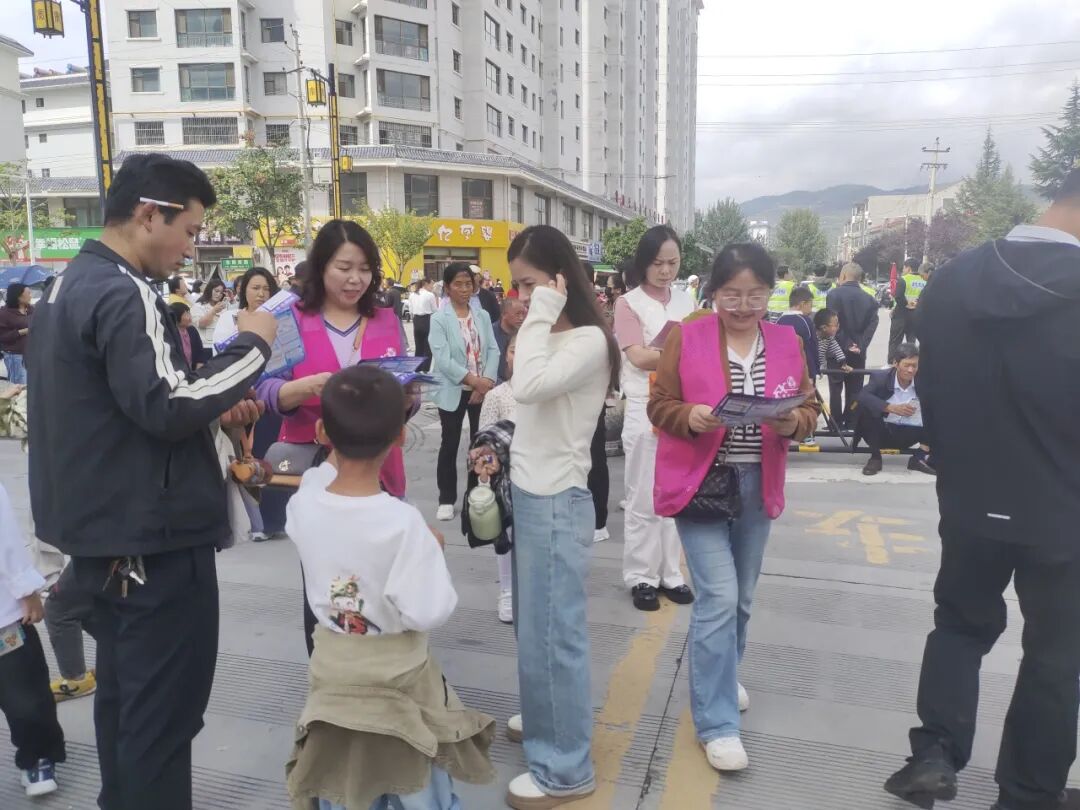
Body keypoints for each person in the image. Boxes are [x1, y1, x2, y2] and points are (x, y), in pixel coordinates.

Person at [26, 152, 276, 810]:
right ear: (147, 215)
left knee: (126, 709)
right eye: (189, 230)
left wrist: (213, 405)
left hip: (102, 541)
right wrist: (253, 346)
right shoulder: (125, 291)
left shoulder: (64, 287)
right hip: (154, 548)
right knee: (162, 721)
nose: (190, 248)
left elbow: (118, 406)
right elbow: (166, 405)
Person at [883, 168, 1080, 810]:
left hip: (970, 498)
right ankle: (1027, 794)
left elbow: (932, 387)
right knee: (1056, 655)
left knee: (960, 626)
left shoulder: (952, 279)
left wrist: (954, 465)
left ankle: (934, 752)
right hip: (1064, 509)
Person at [284, 365, 495, 810]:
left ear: (322, 433)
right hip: (397, 686)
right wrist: (432, 549)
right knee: (418, 789)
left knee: (343, 787)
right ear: (400, 436)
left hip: (333, 676)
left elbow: (321, 477)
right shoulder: (403, 524)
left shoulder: (305, 501)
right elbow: (428, 610)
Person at [648, 242, 819, 773]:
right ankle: (717, 723)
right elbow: (659, 404)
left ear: (771, 293)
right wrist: (690, 416)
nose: (743, 306)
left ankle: (723, 674)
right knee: (719, 598)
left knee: (741, 598)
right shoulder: (687, 336)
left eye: (755, 295)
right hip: (700, 484)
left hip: (755, 485)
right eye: (731, 294)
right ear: (713, 292)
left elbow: (810, 405)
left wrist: (794, 421)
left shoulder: (788, 341)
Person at [499, 225, 619, 808]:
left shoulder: (589, 340)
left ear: (560, 279)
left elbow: (527, 386)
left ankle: (565, 769)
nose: (521, 297)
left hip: (556, 498)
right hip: (531, 491)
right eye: (517, 287)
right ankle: (547, 720)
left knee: (554, 638)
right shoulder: (550, 335)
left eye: (530, 284)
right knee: (534, 630)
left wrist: (539, 313)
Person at [255, 220, 411, 650]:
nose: (355, 279)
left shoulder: (384, 319)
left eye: (364, 269)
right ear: (322, 266)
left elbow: (401, 390)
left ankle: (373, 664)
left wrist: (407, 396)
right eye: (344, 267)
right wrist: (303, 389)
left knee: (378, 580)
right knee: (329, 584)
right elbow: (265, 390)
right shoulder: (289, 320)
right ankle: (330, 666)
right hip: (315, 474)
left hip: (378, 472)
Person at [613, 225, 696, 611]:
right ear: (644, 263)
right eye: (658, 263)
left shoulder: (686, 300)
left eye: (673, 263)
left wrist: (667, 355)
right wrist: (679, 354)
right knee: (643, 496)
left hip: (680, 407)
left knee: (676, 493)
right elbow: (638, 356)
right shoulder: (627, 303)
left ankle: (670, 573)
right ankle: (641, 576)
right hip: (644, 405)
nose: (665, 271)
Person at [0, 482, 66, 798]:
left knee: (24, 696)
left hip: (3, 622)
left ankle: (38, 755)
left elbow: (4, 533)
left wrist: (25, 588)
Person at [429, 263, 500, 522]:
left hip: (481, 389)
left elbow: (493, 350)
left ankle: (478, 493)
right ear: (447, 288)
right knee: (450, 443)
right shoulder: (439, 319)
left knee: (482, 444)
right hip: (454, 389)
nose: (464, 289)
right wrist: (473, 381)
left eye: (468, 283)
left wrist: (486, 381)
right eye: (458, 284)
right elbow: (443, 359)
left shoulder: (481, 316)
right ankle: (446, 499)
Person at [478, 332, 519, 623]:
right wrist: (486, 476)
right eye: (515, 350)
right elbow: (484, 442)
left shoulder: (547, 394)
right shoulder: (498, 395)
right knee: (506, 535)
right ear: (507, 354)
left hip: (539, 478)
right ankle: (507, 590)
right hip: (506, 479)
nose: (521, 356)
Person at [853, 343, 934, 477]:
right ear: (896, 363)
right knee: (866, 408)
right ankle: (875, 458)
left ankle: (918, 458)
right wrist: (889, 407)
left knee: (937, 408)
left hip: (910, 433)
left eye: (914, 366)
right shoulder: (881, 378)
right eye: (906, 365)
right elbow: (862, 396)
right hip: (882, 432)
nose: (910, 370)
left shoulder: (923, 380)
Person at [826, 261, 879, 428]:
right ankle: (851, 420)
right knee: (855, 387)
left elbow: (833, 323)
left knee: (835, 387)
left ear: (843, 276)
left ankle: (835, 423)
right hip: (858, 350)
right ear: (860, 278)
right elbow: (873, 324)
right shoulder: (870, 298)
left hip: (836, 348)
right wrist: (861, 345)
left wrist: (846, 343)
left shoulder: (834, 295)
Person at [211, 266, 278, 349]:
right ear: (244, 290)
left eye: (266, 289)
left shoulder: (277, 320)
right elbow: (220, 352)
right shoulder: (229, 318)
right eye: (255, 288)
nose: (261, 294)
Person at [815, 308, 854, 425]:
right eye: (835, 325)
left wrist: (843, 364)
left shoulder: (829, 338)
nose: (838, 327)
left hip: (819, 367)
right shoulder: (812, 336)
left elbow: (837, 350)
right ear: (824, 327)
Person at [776, 286, 819, 380]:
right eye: (810, 305)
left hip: (784, 372)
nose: (811, 309)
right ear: (802, 304)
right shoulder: (805, 321)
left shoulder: (779, 320)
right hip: (805, 372)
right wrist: (816, 370)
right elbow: (812, 346)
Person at [0, 282, 33, 384]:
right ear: (19, 297)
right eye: (28, 293)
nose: (31, 296)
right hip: (15, 356)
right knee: (19, 386)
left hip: (30, 353)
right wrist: (23, 331)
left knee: (30, 386)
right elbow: (3, 337)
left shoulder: (31, 309)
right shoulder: (4, 313)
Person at [889, 256, 922, 356]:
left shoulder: (904, 279)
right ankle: (911, 360)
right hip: (916, 315)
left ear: (908, 268)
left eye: (904, 268)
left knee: (895, 341)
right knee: (911, 342)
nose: (903, 270)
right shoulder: (924, 280)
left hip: (901, 315)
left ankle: (893, 361)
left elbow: (898, 297)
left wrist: (907, 304)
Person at [492, 297, 526, 383]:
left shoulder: (526, 333)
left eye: (523, 314)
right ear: (504, 314)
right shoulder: (490, 333)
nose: (521, 318)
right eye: (517, 314)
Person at [190, 277, 228, 350]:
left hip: (220, 346)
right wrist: (213, 311)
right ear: (209, 290)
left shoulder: (222, 306)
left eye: (221, 292)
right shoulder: (198, 306)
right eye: (216, 291)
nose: (218, 294)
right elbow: (201, 324)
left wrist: (231, 299)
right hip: (205, 346)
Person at [410, 277, 438, 370]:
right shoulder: (430, 295)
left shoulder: (412, 294)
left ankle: (417, 368)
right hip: (427, 319)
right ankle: (425, 369)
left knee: (418, 346)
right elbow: (435, 310)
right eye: (431, 284)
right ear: (426, 284)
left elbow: (411, 310)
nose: (432, 287)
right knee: (428, 346)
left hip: (416, 320)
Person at [168, 302, 205, 369]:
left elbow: (200, 353)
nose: (190, 317)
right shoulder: (170, 334)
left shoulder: (192, 330)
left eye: (189, 313)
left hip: (193, 370)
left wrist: (198, 371)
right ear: (176, 317)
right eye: (186, 314)